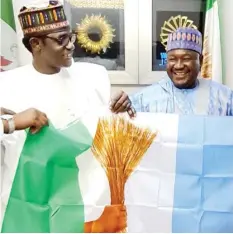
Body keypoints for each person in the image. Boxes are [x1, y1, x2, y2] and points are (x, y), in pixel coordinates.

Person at [0, 1, 130, 232]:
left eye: (71, 36)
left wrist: (123, 108)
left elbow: (106, 134)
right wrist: (11, 123)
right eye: (61, 39)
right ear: (36, 44)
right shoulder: (6, 85)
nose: (71, 45)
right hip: (26, 206)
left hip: (80, 205)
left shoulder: (93, 77)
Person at [130, 27, 233, 115]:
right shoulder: (144, 99)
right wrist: (119, 106)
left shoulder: (225, 98)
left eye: (186, 58)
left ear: (200, 60)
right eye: (172, 59)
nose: (178, 66)